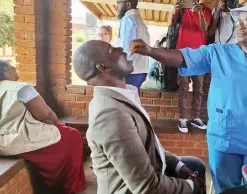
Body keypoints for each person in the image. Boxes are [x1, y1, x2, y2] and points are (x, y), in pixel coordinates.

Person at [129, 0, 247, 193]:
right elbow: (182, 57)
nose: (241, 26)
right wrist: (151, 51)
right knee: (224, 189)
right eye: (240, 21)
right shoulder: (218, 52)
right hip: (224, 138)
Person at [72, 40, 206, 194]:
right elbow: (147, 187)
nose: (121, 48)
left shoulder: (122, 97)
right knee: (196, 178)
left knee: (195, 165)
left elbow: (152, 147)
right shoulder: (110, 114)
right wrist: (192, 186)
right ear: (103, 67)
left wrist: (179, 167)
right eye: (112, 50)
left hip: (150, 175)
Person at [0, 59, 86, 194]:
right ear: (6, 69)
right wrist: (57, 124)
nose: (15, 69)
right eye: (12, 66)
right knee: (73, 135)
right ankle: (70, 185)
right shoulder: (21, 87)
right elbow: (44, 114)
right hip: (21, 139)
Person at [172, 0, 211, 133]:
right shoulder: (182, 7)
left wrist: (200, 13)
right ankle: (182, 119)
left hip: (199, 55)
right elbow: (172, 24)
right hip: (182, 53)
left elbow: (204, 28)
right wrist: (174, 10)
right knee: (183, 88)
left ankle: (195, 117)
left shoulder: (206, 10)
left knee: (199, 89)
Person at [116, 0, 150, 95]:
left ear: (128, 5)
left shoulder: (128, 19)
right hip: (138, 70)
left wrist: (118, 70)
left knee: (126, 103)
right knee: (133, 102)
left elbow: (127, 48)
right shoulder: (138, 20)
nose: (116, 6)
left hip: (130, 71)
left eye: (118, 2)